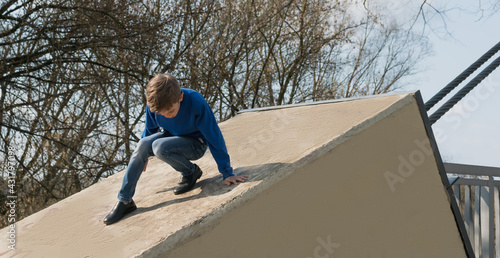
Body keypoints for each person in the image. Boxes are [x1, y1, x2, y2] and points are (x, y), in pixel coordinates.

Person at [103, 73, 248, 225]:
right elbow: (149, 131)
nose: (167, 116)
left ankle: (190, 172)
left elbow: (214, 137)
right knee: (143, 145)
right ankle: (125, 200)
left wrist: (227, 172)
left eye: (170, 111)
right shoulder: (154, 104)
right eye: (161, 114)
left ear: (180, 97)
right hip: (170, 137)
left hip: (195, 144)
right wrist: (143, 155)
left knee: (159, 147)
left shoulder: (196, 102)